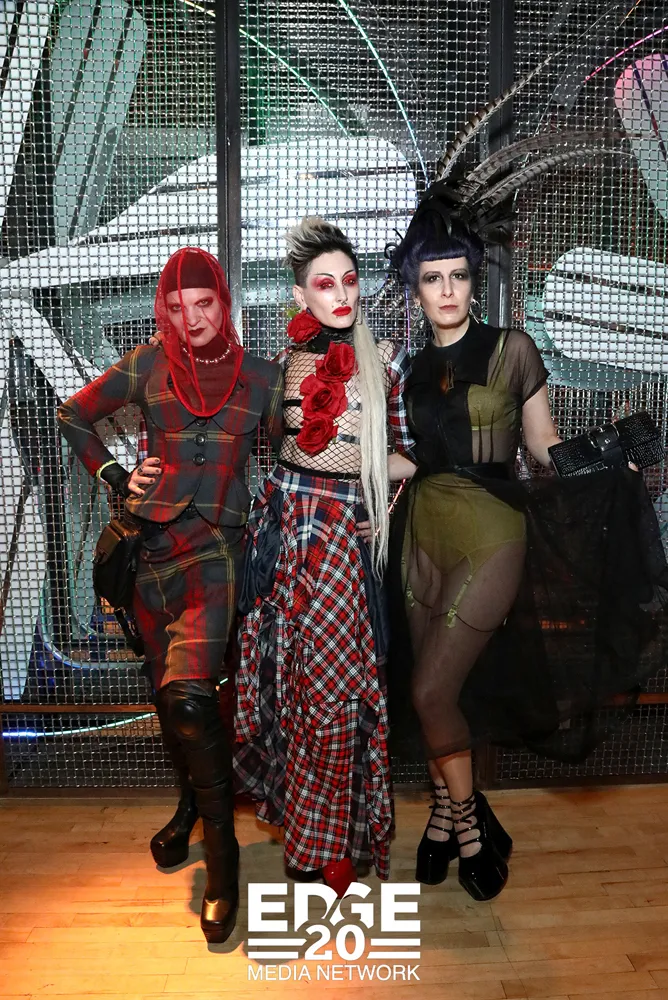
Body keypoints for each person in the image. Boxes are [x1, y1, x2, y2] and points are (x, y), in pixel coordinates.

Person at [389, 204, 668, 903]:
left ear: (473, 281)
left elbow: (542, 448)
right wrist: (328, 465)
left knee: (430, 691)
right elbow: (411, 459)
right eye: (432, 278)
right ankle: (448, 813)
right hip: (421, 530)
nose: (447, 289)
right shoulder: (411, 367)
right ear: (415, 287)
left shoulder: (512, 348)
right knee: (438, 690)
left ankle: (471, 828)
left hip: (492, 526)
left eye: (458, 275)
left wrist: (607, 462)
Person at [57, 247, 283, 942]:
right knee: (171, 699)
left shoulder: (263, 376)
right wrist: (117, 476)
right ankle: (190, 808)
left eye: (204, 304)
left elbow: (291, 456)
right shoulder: (147, 363)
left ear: (223, 301)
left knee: (189, 696)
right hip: (152, 553)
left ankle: (223, 858)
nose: (193, 319)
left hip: (218, 549)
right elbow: (73, 416)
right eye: (179, 309)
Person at [233, 218, 415, 895]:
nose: (340, 294)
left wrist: (383, 502)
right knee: (291, 689)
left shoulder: (387, 360)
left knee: (336, 693)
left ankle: (335, 842)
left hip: (340, 539)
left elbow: (409, 457)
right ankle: (306, 837)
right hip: (285, 537)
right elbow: (267, 446)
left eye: (348, 280)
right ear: (300, 294)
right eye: (324, 283)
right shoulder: (283, 363)